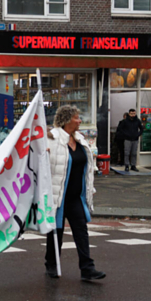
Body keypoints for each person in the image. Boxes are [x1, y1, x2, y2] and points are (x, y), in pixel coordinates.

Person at [45, 105, 105, 282]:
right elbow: (44, 166)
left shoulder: (80, 139)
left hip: (76, 197)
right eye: (77, 118)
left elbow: (87, 168)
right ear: (67, 120)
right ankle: (51, 263)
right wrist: (44, 155)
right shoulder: (52, 139)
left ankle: (87, 268)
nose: (80, 121)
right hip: (59, 195)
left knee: (81, 231)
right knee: (56, 231)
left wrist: (89, 189)